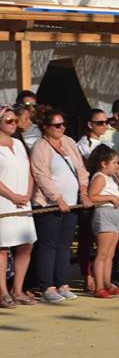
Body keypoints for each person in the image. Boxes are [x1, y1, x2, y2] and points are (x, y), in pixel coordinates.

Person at [29, 108, 92, 303]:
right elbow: (41, 175)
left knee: (64, 245)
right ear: (46, 127)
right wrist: (58, 198)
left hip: (72, 203)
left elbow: (81, 169)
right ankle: (47, 287)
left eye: (63, 124)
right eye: (57, 125)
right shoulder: (40, 147)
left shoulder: (69, 142)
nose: (61, 128)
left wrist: (83, 192)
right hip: (49, 204)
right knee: (48, 245)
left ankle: (63, 283)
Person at [0, 105, 37, 308]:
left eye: (15, 120)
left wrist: (27, 194)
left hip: (23, 201)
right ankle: (3, 292)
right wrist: (12, 195)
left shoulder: (19, 144)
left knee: (26, 245)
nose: (14, 124)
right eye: (9, 121)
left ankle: (18, 289)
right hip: (3, 201)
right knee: (2, 247)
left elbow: (29, 172)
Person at [76, 108, 114, 293]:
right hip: (91, 194)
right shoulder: (82, 145)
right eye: (100, 123)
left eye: (107, 122)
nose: (104, 125)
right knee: (86, 239)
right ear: (90, 124)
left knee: (108, 242)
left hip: (109, 197)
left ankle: (107, 279)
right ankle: (87, 276)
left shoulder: (109, 141)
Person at [86, 145, 119, 299]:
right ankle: (99, 286)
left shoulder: (111, 179)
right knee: (102, 253)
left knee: (110, 254)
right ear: (104, 163)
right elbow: (92, 196)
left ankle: (108, 283)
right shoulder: (99, 177)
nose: (117, 166)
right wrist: (109, 198)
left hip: (116, 214)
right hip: (105, 213)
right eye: (114, 163)